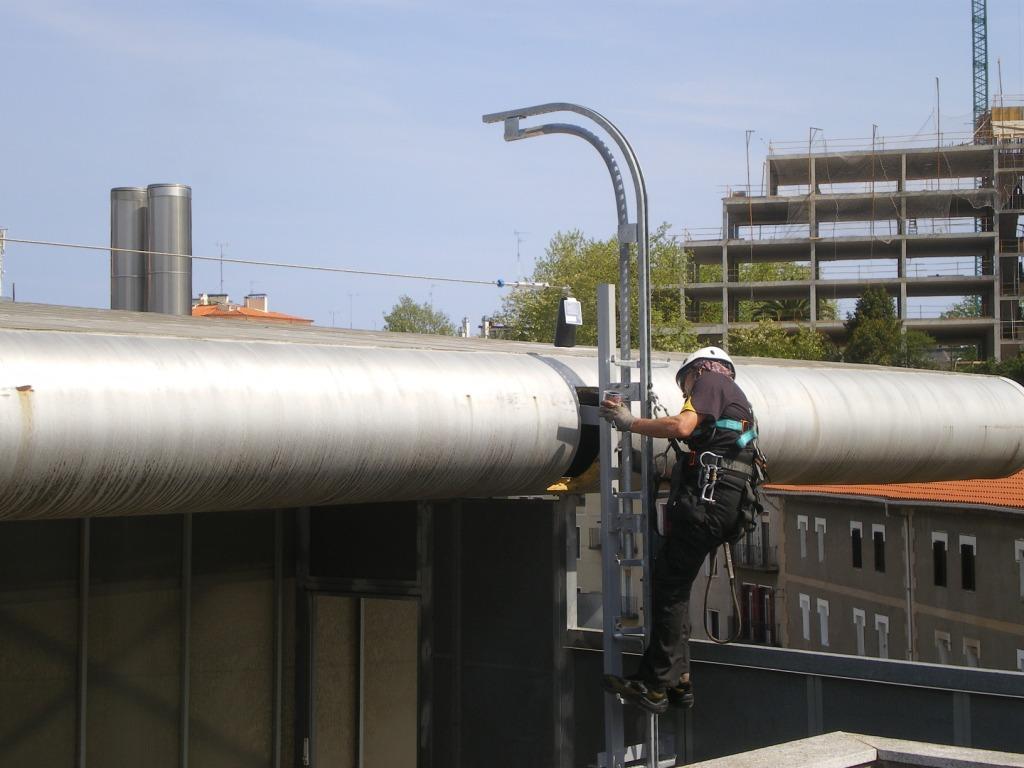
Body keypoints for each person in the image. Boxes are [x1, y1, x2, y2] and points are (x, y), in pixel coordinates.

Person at [599, 346, 760, 715]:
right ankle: (678, 681)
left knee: (668, 586)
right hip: (723, 506)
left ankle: (655, 684)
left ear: (696, 371)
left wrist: (630, 422)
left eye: (684, 385)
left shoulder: (710, 380)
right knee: (676, 585)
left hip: (710, 505)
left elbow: (681, 426)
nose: (686, 393)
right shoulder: (731, 398)